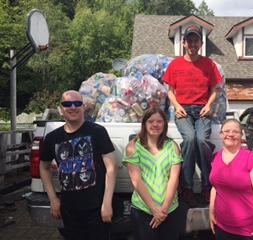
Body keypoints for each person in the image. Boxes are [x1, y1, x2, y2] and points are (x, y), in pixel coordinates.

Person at [40, 90, 117, 240]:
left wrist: (106, 203)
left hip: (96, 207)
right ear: (61, 109)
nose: (73, 107)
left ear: (83, 107)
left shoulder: (97, 132)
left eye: (77, 103)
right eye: (67, 104)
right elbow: (44, 167)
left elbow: (111, 168)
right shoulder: (52, 138)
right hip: (69, 209)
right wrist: (53, 199)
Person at [163, 25, 222, 206]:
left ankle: (207, 185)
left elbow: (216, 90)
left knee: (202, 141)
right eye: (189, 40)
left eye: (196, 40)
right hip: (183, 111)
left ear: (201, 43)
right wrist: (177, 106)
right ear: (184, 43)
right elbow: (170, 91)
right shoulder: (175, 64)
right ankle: (186, 187)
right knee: (189, 139)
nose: (192, 44)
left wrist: (209, 105)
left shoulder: (209, 65)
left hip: (203, 110)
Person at [123, 107, 182, 240]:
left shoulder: (172, 146)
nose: (155, 125)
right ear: (144, 124)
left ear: (164, 124)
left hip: (169, 209)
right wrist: (154, 209)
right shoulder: (133, 147)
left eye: (159, 121)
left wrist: (164, 210)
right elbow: (136, 181)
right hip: (143, 209)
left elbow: (174, 179)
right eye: (151, 121)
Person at [209, 119, 253, 240]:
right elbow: (215, 187)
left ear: (241, 135)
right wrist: (211, 212)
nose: (230, 134)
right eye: (226, 131)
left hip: (247, 230)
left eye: (235, 131)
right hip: (221, 225)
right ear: (221, 134)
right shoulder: (216, 157)